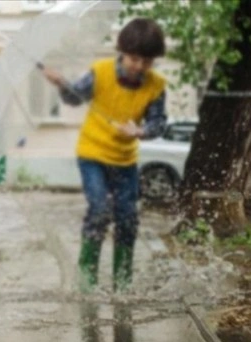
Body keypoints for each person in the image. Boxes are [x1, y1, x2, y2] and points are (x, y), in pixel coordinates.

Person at [43, 18, 168, 293]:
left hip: (125, 159)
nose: (139, 67)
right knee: (99, 209)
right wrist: (62, 84)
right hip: (93, 154)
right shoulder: (100, 72)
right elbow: (74, 98)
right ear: (122, 52)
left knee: (127, 217)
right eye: (134, 59)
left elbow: (159, 124)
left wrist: (141, 130)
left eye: (146, 62)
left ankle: (122, 285)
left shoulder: (156, 85)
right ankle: (87, 284)